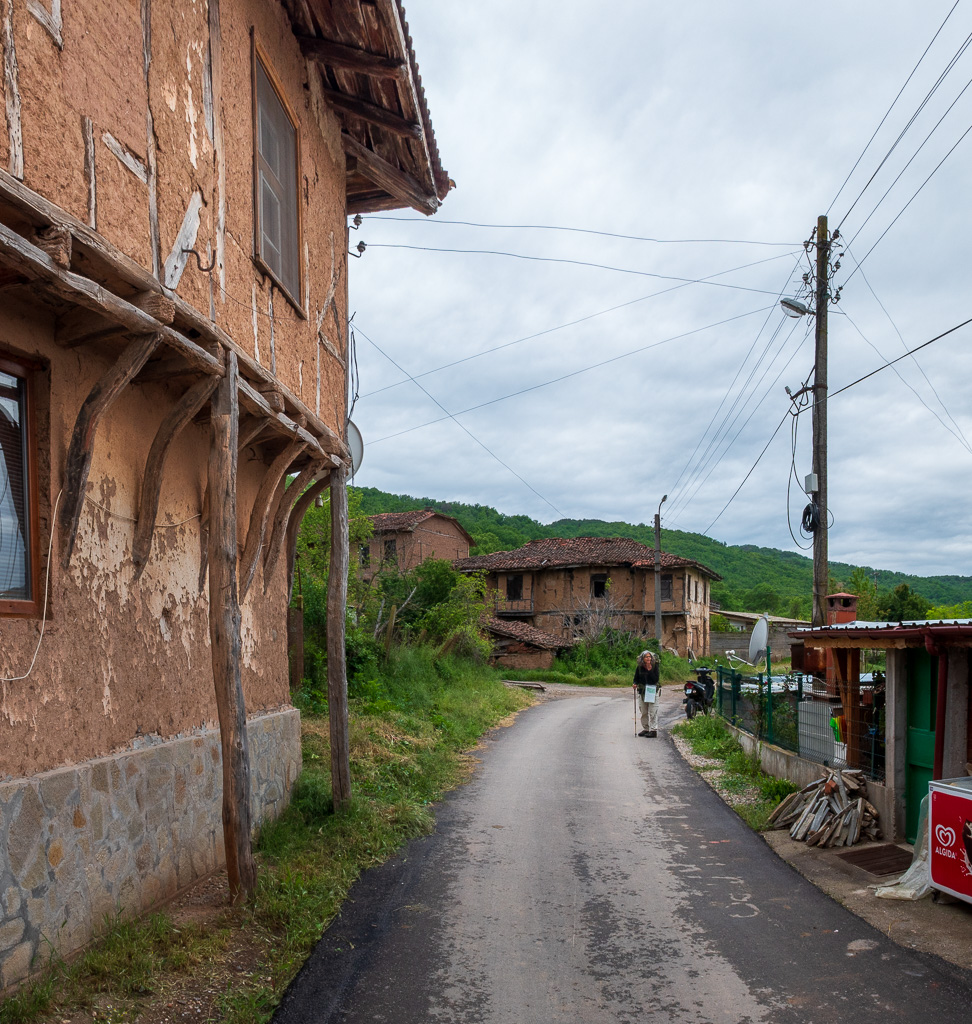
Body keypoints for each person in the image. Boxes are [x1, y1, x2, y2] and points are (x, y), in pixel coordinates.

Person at [633, 649, 660, 737]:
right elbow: (636, 678)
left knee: (653, 711)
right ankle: (646, 728)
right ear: (642, 658)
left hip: (652, 691)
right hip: (642, 692)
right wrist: (635, 684)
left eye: (649, 657)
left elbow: (655, 679)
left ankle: (653, 730)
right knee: (643, 711)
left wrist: (649, 669)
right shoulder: (640, 667)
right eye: (646, 657)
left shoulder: (655, 666)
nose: (648, 658)